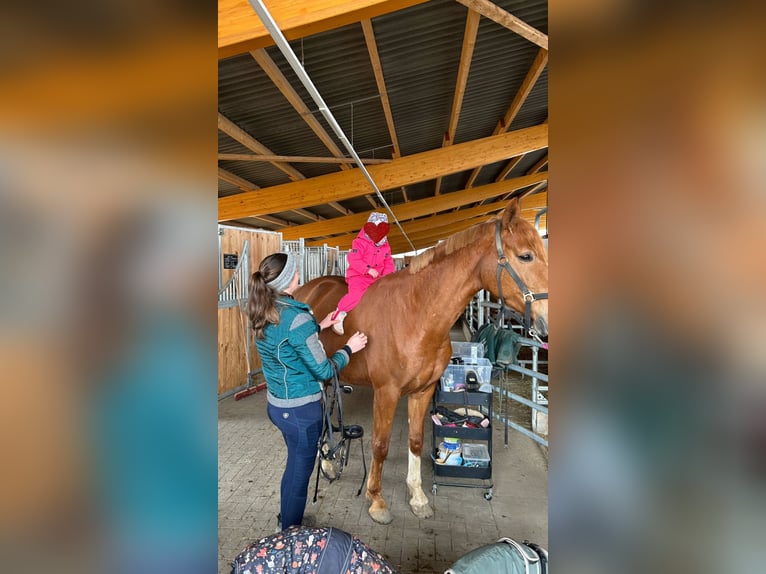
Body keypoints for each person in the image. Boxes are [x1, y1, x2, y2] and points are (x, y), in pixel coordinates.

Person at [246, 251, 368, 531]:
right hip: (301, 411)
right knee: (300, 477)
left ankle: (285, 519)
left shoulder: (267, 308)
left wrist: (319, 325)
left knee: (293, 467)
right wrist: (349, 349)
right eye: (297, 271)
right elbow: (324, 371)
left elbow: (287, 336)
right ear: (290, 280)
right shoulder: (296, 319)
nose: (300, 274)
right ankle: (290, 531)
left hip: (278, 406)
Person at [331, 211, 396, 334]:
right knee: (357, 295)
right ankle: (339, 313)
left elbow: (388, 261)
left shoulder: (385, 245)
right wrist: (367, 269)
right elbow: (353, 259)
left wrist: (388, 275)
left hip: (377, 277)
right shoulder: (359, 242)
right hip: (359, 275)